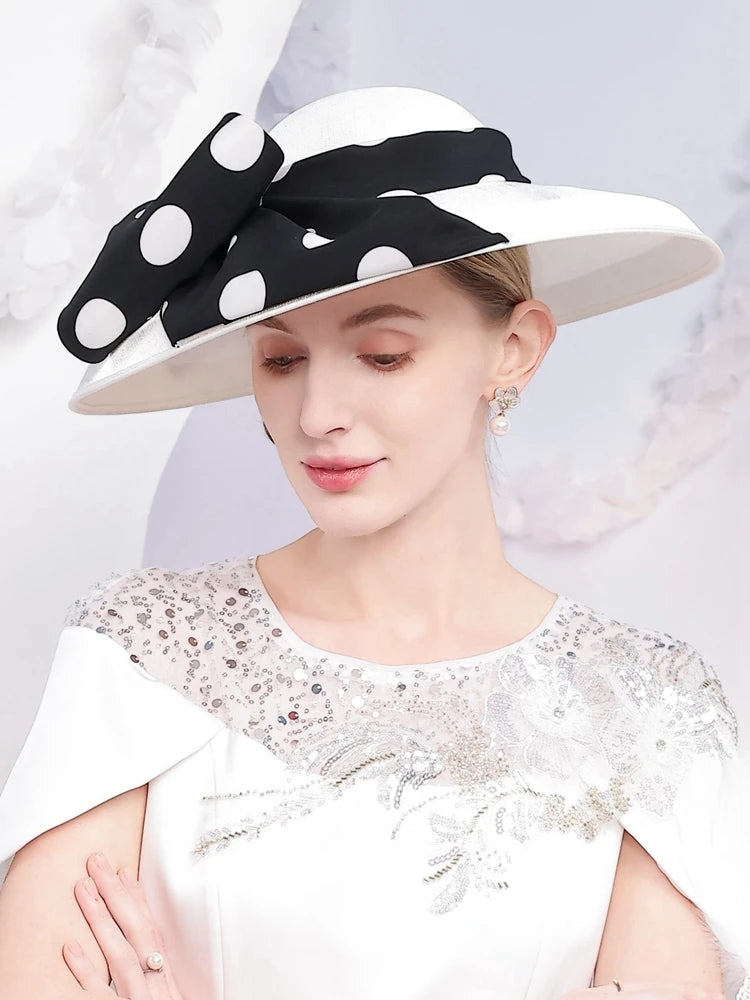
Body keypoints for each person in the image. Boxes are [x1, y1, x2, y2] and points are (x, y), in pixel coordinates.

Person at [0, 85, 747, 1000]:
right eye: (281, 359)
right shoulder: (141, 649)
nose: (317, 413)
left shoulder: (650, 706)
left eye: (383, 354)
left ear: (515, 348)